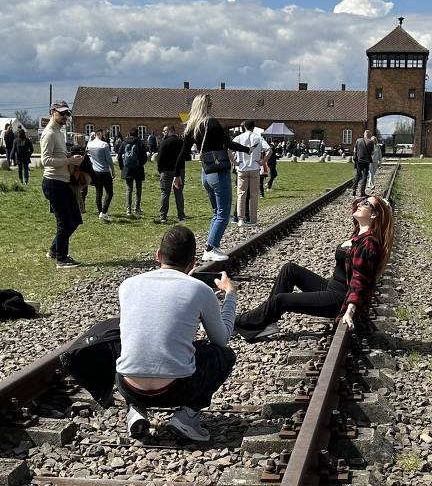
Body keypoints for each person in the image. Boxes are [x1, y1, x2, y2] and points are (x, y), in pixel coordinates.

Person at [115, 226, 237, 441]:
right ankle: (186, 417)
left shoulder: (127, 285)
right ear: (192, 263)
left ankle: (136, 410)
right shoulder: (200, 290)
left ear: (158, 255)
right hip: (178, 389)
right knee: (223, 355)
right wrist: (230, 295)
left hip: (128, 385)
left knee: (134, 343)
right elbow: (222, 339)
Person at [235, 195, 394, 340]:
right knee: (289, 269)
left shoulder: (369, 244)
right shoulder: (359, 231)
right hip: (331, 287)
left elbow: (360, 281)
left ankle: (236, 322)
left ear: (373, 215)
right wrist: (373, 201)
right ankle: (267, 322)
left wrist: (350, 311)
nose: (360, 204)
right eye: (362, 201)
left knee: (281, 300)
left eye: (365, 203)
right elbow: (355, 205)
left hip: (339, 299)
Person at [175, 94, 250, 262]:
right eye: (210, 102)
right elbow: (229, 144)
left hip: (206, 173)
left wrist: (176, 174)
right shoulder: (212, 123)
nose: (212, 104)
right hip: (219, 172)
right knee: (223, 213)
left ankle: (212, 245)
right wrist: (247, 150)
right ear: (206, 105)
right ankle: (210, 248)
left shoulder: (192, 126)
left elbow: (182, 153)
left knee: (216, 212)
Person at [41, 101, 84, 269]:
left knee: (74, 220)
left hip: (62, 181)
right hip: (53, 182)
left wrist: (72, 157)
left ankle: (54, 250)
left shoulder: (59, 132)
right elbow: (45, 160)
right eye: (62, 113)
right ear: (53, 112)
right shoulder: (50, 133)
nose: (65, 116)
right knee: (64, 222)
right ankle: (61, 258)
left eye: (67, 114)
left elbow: (57, 155)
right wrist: (68, 160)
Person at [232, 120, 271, 227]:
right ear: (254, 128)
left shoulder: (239, 138)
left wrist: (234, 162)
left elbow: (228, 150)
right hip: (255, 168)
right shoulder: (258, 137)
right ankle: (253, 220)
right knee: (254, 194)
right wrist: (263, 162)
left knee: (241, 194)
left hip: (242, 169)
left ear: (244, 126)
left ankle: (240, 219)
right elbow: (269, 150)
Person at [156, 125, 187, 223]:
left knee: (165, 193)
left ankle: (163, 216)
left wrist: (160, 170)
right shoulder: (181, 142)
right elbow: (185, 157)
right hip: (179, 171)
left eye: (165, 131)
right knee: (179, 193)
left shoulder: (164, 143)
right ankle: (181, 215)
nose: (163, 132)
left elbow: (159, 158)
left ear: (170, 131)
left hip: (166, 171)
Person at [117, 129, 148, 216]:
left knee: (129, 189)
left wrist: (122, 167)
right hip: (138, 169)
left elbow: (119, 156)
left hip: (127, 169)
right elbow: (145, 157)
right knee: (138, 189)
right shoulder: (140, 143)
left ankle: (128, 210)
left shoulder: (124, 143)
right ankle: (137, 208)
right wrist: (140, 164)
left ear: (129, 133)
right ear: (137, 134)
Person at [87, 132, 116, 222]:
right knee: (109, 193)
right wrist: (113, 170)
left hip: (95, 171)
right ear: (100, 134)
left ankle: (100, 212)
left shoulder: (90, 144)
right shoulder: (104, 144)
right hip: (104, 171)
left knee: (98, 192)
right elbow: (109, 159)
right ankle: (103, 212)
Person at [352, 130, 375, 197]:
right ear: (369, 135)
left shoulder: (358, 140)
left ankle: (354, 190)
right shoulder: (371, 142)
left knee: (358, 175)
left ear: (364, 134)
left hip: (358, 161)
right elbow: (372, 153)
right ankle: (362, 192)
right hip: (366, 161)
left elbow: (354, 150)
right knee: (365, 176)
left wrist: (356, 157)